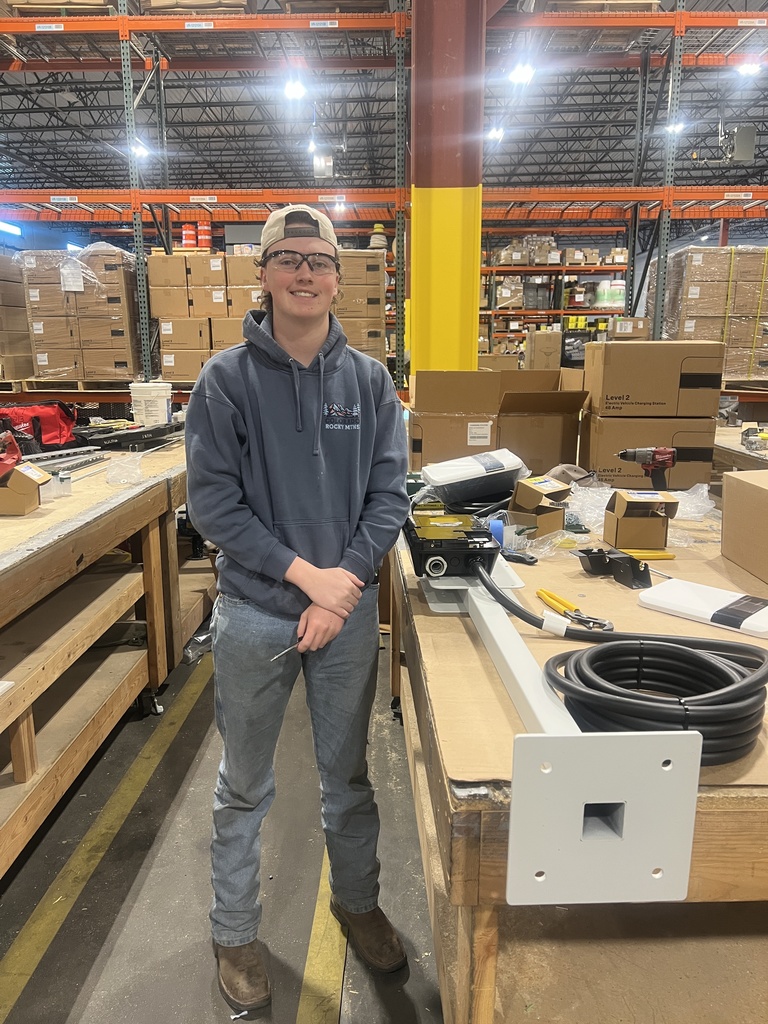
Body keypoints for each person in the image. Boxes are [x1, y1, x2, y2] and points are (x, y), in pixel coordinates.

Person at [185, 204, 410, 1014]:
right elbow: (213, 506)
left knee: (346, 778)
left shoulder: (369, 381)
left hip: (342, 613)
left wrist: (341, 584)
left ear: (339, 279)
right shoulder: (224, 382)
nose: (305, 272)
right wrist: (306, 580)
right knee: (244, 786)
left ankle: (358, 903)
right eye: (288, 258)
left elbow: (389, 497)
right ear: (265, 273)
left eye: (319, 260)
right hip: (254, 615)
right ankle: (234, 932)